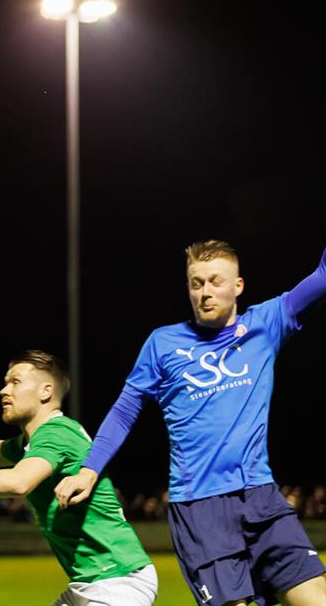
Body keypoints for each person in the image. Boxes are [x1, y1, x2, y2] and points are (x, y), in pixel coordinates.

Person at [55, 240, 326, 606]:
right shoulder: (163, 344)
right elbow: (124, 410)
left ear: (238, 286)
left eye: (216, 281)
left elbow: (322, 277)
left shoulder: (267, 323)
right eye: (196, 283)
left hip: (262, 497)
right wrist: (89, 471)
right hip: (201, 508)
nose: (205, 292)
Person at [0, 350, 157, 606]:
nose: (3, 390)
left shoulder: (56, 434)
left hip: (118, 581)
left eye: (15, 382)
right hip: (91, 582)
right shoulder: (34, 442)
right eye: (5, 382)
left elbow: (18, 482)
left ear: (45, 392)